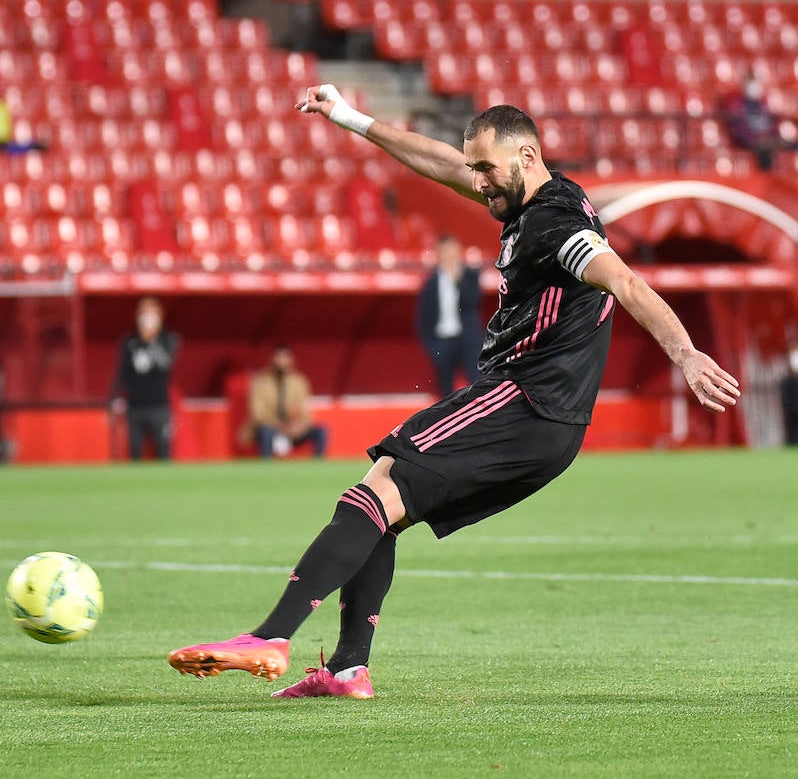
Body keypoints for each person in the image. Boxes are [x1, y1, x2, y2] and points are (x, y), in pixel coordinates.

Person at [167, 89, 740, 698]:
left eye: (488, 169)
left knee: (375, 488)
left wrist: (684, 352)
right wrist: (349, 117)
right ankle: (345, 671)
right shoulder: (529, 201)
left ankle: (271, 637)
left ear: (527, 155)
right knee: (383, 500)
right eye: (476, 169)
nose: (479, 182)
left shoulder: (556, 223)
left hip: (525, 400)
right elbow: (442, 163)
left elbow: (621, 278)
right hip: (544, 418)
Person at [111, 297, 179, 460]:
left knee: (164, 451)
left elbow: (166, 364)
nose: (148, 317)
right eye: (144, 312)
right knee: (134, 451)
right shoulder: (129, 341)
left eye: (151, 312)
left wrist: (151, 341)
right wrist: (111, 400)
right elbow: (122, 372)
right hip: (135, 406)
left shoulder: (168, 339)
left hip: (159, 406)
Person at [416, 234, 484, 396]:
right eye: (445, 251)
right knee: (444, 391)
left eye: (452, 251)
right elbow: (423, 316)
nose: (449, 255)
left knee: (477, 384)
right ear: (438, 254)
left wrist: (458, 281)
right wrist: (431, 345)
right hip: (443, 342)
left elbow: (473, 300)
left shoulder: (469, 275)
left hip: (468, 341)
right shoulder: (431, 281)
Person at [247, 344, 329, 458]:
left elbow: (306, 413)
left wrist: (298, 426)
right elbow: (258, 414)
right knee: (266, 432)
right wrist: (279, 426)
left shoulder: (299, 382)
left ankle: (318, 466)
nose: (281, 361)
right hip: (271, 428)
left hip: (294, 429)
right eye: (278, 357)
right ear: (271, 359)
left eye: (285, 357)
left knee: (321, 431)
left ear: (291, 360)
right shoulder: (260, 382)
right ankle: (265, 466)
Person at [720, 74, 794, 172]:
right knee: (765, 149)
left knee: (792, 145)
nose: (754, 88)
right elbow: (738, 129)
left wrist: (774, 137)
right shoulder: (736, 104)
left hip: (767, 139)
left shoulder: (764, 104)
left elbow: (772, 124)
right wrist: (757, 139)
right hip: (750, 141)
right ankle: (767, 179)